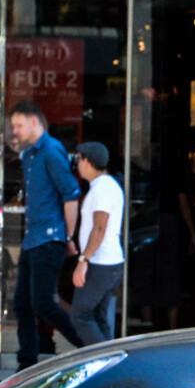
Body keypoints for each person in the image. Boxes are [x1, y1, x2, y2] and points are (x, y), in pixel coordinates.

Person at [8, 101, 82, 368]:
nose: (15, 131)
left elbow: (70, 193)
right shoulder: (29, 155)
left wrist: (69, 237)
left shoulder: (51, 151)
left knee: (43, 302)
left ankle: (87, 346)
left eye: (18, 125)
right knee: (22, 304)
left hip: (49, 238)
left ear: (34, 122)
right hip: (33, 238)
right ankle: (26, 364)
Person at [70, 141, 125, 343]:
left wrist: (83, 261)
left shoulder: (102, 189)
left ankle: (102, 362)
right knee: (98, 318)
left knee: (81, 315)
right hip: (109, 263)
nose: (77, 164)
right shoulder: (107, 186)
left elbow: (99, 227)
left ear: (87, 162)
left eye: (78, 159)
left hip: (100, 263)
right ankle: (110, 366)